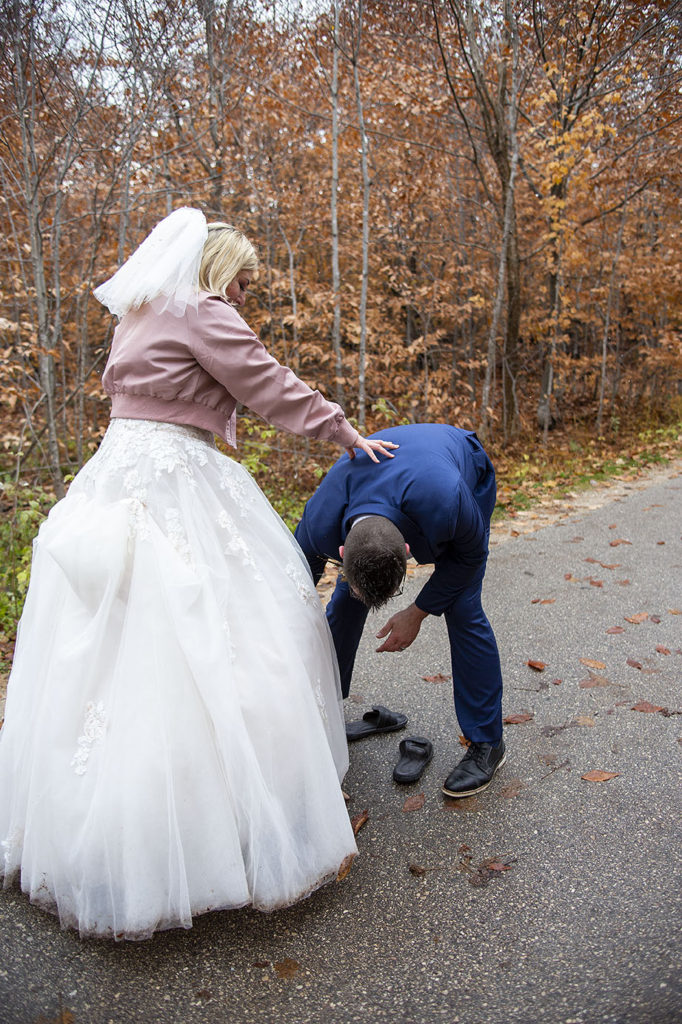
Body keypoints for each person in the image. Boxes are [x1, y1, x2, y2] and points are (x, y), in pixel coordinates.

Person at [0, 207, 397, 940]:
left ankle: (107, 823)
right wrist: (344, 432)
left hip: (116, 471)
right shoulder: (199, 309)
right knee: (226, 628)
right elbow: (265, 381)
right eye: (241, 281)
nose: (242, 297)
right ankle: (220, 825)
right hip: (176, 475)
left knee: (112, 643)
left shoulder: (141, 311)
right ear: (216, 271)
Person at [295, 422, 505, 797]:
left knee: (463, 608)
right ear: (341, 553)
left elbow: (470, 558)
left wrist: (419, 610)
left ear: (408, 552)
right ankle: (324, 712)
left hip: (458, 462)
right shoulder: (319, 523)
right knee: (343, 605)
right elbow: (294, 589)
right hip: (392, 482)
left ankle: (488, 744)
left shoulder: (450, 500)